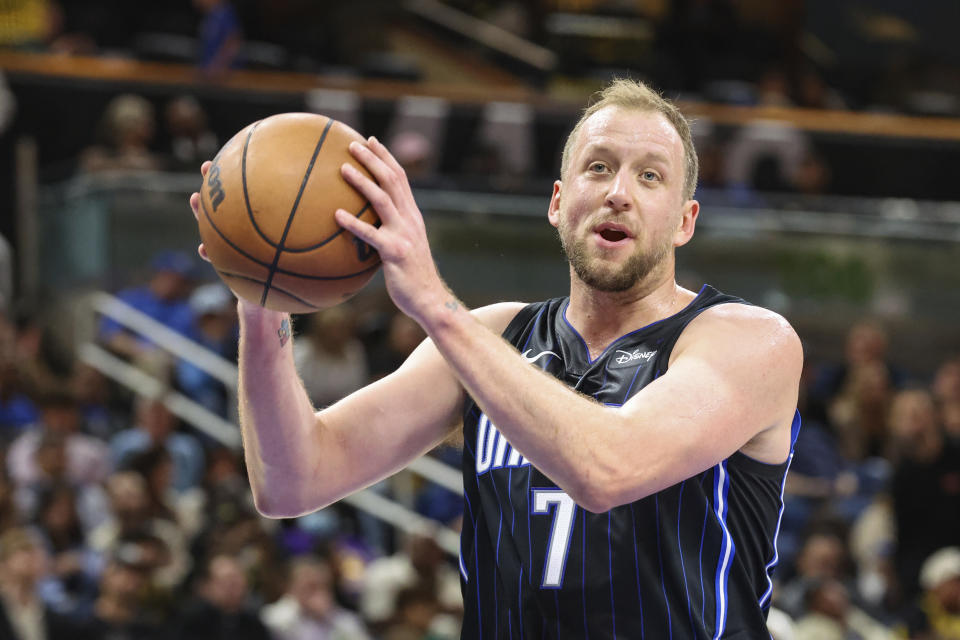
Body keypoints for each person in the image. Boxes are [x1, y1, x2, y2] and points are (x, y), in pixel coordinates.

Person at [188, 79, 803, 638]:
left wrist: (433, 303)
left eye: (650, 177)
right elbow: (293, 479)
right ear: (558, 202)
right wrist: (262, 297)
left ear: (684, 221)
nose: (619, 192)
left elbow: (606, 470)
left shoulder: (748, 341)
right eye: (599, 167)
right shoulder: (493, 338)